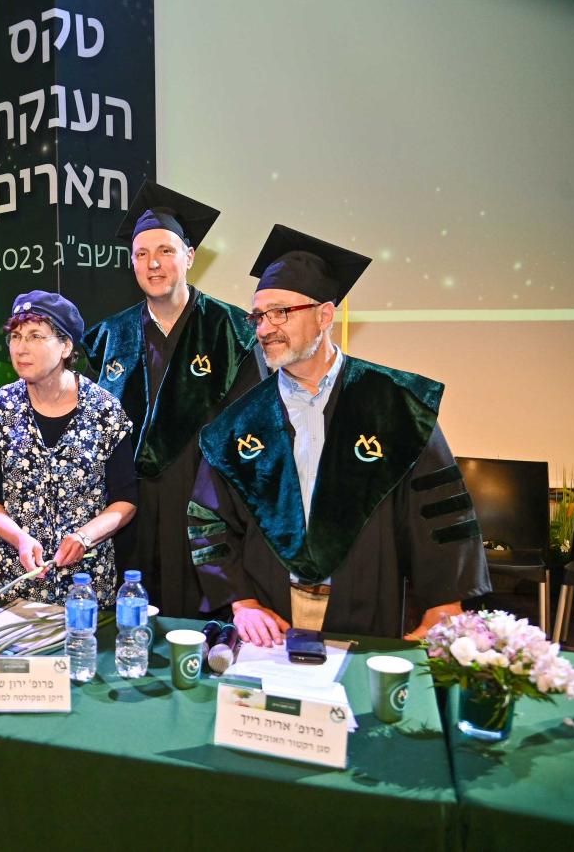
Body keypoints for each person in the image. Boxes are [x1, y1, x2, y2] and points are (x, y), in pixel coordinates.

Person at [188, 225, 491, 644]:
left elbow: (438, 513)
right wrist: (242, 601)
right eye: (258, 316)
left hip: (366, 606)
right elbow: (208, 520)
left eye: (280, 312)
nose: (264, 328)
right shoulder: (238, 424)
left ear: (325, 315)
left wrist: (444, 604)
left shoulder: (396, 404)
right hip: (271, 621)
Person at [83, 181, 261, 617]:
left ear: (189, 256)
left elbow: (251, 429)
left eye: (165, 250)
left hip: (205, 504)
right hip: (130, 508)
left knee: (202, 625)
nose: (153, 263)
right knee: (130, 618)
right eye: (141, 254)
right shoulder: (109, 336)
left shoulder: (231, 330)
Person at [0, 291, 136, 606]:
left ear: (66, 346)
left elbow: (125, 500)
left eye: (36, 336)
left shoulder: (105, 410)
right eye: (16, 336)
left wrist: (84, 537)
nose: (21, 348)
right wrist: (20, 539)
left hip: (84, 581)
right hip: (10, 576)